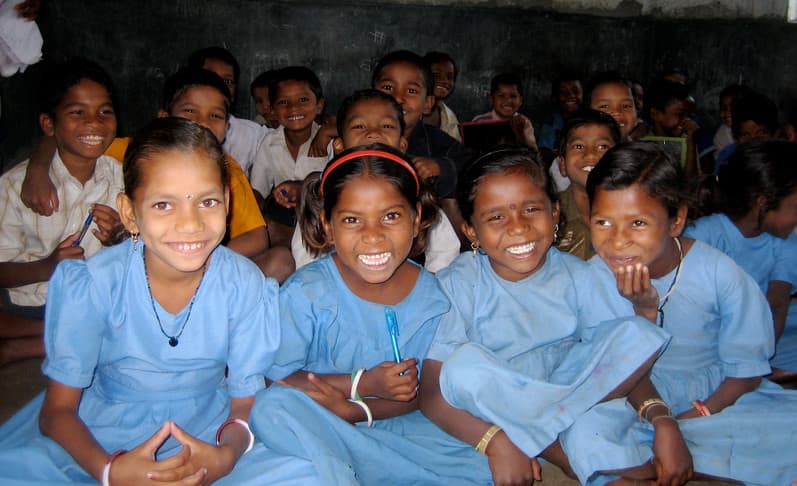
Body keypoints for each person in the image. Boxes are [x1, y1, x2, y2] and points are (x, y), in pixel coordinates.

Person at [0, 117, 318, 485]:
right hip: (103, 432)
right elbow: (57, 410)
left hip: (210, 427)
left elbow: (244, 401)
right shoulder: (97, 283)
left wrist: (225, 457)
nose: (190, 224)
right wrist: (109, 470)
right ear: (130, 213)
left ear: (227, 203)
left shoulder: (244, 283)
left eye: (208, 201)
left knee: (305, 475)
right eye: (164, 205)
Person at [420, 147, 689, 485]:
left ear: (555, 212)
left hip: (570, 391)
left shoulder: (581, 275)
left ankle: (558, 441)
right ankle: (557, 449)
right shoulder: (458, 283)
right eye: (496, 217)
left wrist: (660, 417)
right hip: (503, 403)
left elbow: (619, 357)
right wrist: (494, 442)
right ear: (471, 231)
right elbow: (431, 393)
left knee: (635, 330)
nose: (518, 228)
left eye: (531, 209)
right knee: (462, 369)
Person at [249, 145, 495, 485]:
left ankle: (350, 469)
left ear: (417, 219)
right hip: (320, 421)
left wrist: (360, 408)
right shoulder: (308, 293)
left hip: (402, 428)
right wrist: (362, 384)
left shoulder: (434, 300)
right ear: (328, 225)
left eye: (391, 216)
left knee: (483, 467)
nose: (373, 235)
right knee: (272, 409)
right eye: (351, 219)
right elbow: (276, 377)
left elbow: (423, 393)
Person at [562, 141, 797, 485]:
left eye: (638, 223)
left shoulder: (719, 272)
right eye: (603, 222)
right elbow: (613, 370)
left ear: (676, 221)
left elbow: (746, 370)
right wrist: (661, 418)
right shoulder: (593, 276)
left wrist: (698, 414)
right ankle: (680, 457)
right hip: (631, 394)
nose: (617, 241)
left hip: (715, 399)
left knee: (776, 428)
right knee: (584, 427)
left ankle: (662, 460)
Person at [19, 67, 294, 282]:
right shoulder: (134, 151)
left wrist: (199, 257)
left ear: (226, 126)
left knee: (280, 260)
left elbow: (257, 238)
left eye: (215, 116)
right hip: (141, 266)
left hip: (202, 262)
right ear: (164, 116)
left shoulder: (227, 168)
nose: (201, 123)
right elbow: (72, 138)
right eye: (189, 111)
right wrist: (38, 167)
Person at [0, 58, 124, 365]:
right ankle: (60, 335)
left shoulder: (120, 176)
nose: (94, 122)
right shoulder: (16, 185)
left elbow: (138, 253)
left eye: (104, 112)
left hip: (93, 304)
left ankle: (32, 344)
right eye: (77, 112)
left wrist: (120, 236)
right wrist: (47, 267)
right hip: (30, 302)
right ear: (48, 124)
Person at [292, 89, 460, 272]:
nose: (373, 133)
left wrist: (428, 284)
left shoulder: (413, 189)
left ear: (402, 145)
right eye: (359, 127)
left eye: (387, 126)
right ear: (339, 146)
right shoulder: (326, 191)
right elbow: (306, 257)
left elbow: (445, 250)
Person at [685, 140, 797, 375]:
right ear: (763, 203)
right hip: (703, 342)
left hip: (757, 341)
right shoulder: (702, 236)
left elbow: (776, 306)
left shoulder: (785, 241)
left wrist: (758, 360)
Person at [372, 49, 471, 247]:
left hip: (423, 245)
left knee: (450, 199)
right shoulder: (357, 136)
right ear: (371, 95)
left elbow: (470, 165)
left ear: (428, 103)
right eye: (388, 87)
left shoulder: (437, 142)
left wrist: (440, 168)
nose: (398, 98)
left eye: (411, 91)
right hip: (370, 232)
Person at [249, 65, 333, 248]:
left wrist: (304, 189)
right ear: (272, 110)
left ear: (319, 106)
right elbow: (258, 190)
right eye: (283, 102)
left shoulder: (330, 141)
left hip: (320, 222)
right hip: (283, 222)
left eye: (303, 100)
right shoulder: (270, 143)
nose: (294, 108)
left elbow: (336, 187)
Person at [188, 46, 272, 175]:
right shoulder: (175, 127)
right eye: (210, 77)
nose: (220, 85)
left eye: (227, 81)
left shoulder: (252, 134)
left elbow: (284, 141)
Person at [555, 109, 621, 260]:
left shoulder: (634, 209)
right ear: (563, 165)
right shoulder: (550, 214)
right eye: (578, 146)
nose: (590, 154)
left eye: (602, 146)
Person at [644, 79, 700, 177]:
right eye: (680, 114)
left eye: (689, 115)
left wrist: (691, 144)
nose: (687, 121)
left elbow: (692, 183)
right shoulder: (641, 142)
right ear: (655, 114)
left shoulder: (688, 141)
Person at [471, 72, 537, 151]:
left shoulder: (524, 122)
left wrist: (520, 133)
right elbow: (472, 152)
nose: (508, 100)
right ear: (491, 99)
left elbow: (533, 151)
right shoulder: (479, 121)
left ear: (520, 101)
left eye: (513, 96)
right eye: (501, 96)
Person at [585, 71, 643, 142]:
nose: (617, 112)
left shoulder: (643, 151)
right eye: (605, 106)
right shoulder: (582, 151)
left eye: (626, 106)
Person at [538, 72, 583, 162]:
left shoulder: (591, 120)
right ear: (555, 97)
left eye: (575, 91)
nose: (571, 96)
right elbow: (544, 152)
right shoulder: (551, 122)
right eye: (563, 92)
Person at [422, 51, 461, 142]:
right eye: (436, 75)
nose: (445, 81)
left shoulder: (449, 117)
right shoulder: (410, 111)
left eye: (450, 77)